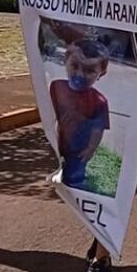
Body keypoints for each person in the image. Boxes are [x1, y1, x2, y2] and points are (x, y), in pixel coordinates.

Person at [17, 0, 137, 272]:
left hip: (123, 100)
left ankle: (101, 257)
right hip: (76, 102)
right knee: (76, 177)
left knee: (115, 181)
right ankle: (98, 242)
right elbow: (50, 24)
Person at [50, 40, 111, 189]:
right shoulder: (56, 87)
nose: (80, 74)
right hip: (58, 141)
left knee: (75, 175)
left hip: (79, 148)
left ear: (100, 74)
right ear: (65, 62)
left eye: (89, 71)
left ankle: (75, 189)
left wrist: (90, 149)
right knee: (55, 167)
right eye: (75, 66)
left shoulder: (99, 101)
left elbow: (98, 129)